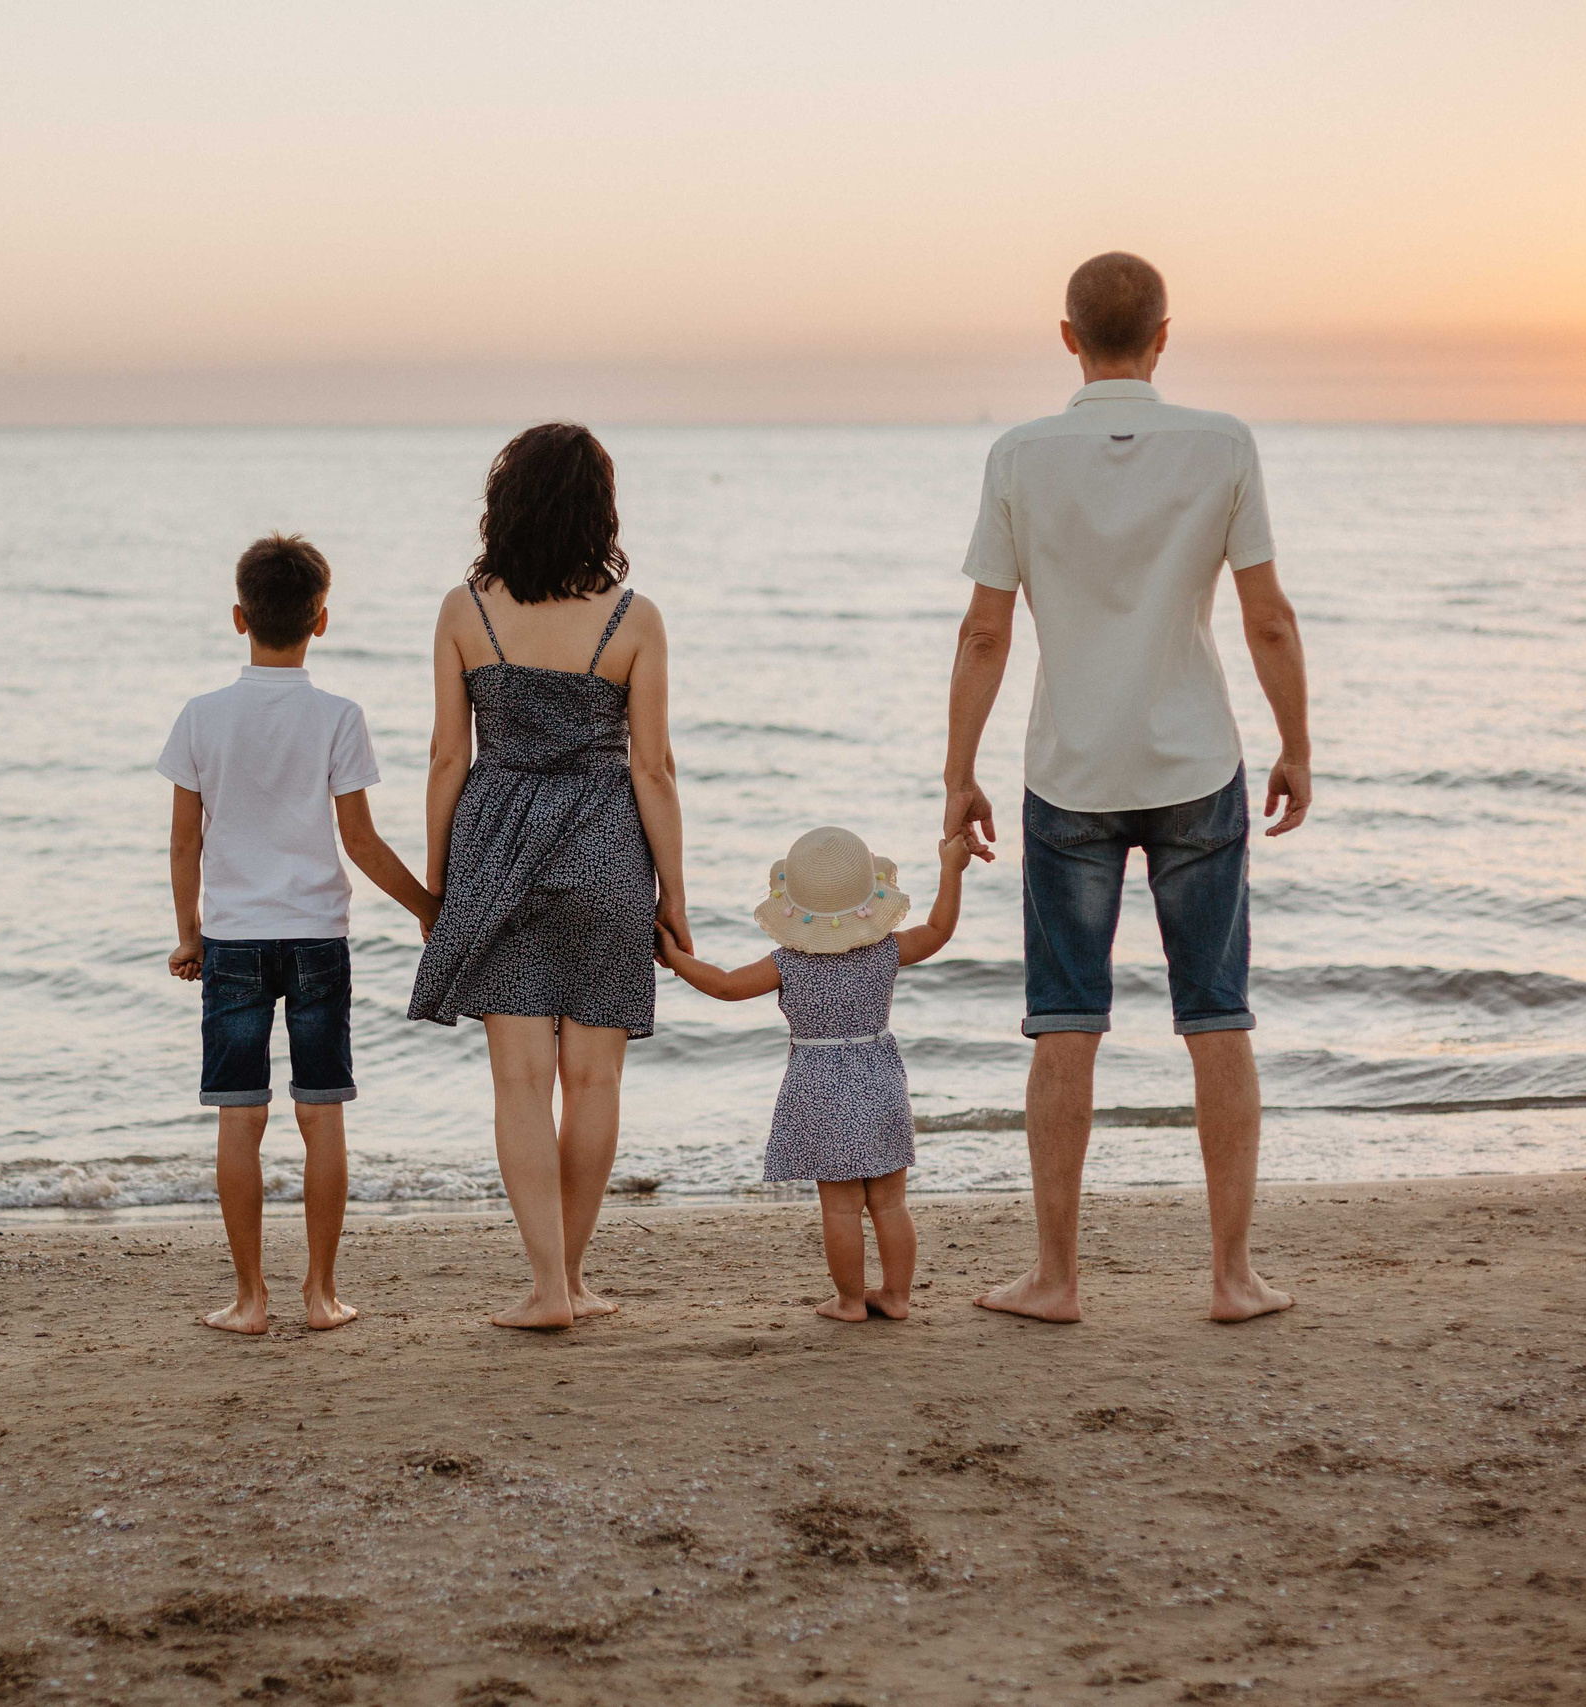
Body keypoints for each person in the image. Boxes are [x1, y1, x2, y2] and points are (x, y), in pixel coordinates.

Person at [944, 251, 1310, 1326]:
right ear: (1162, 336)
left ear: (1067, 336)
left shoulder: (1019, 454)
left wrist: (958, 773)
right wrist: (1296, 744)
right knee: (1217, 1018)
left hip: (1069, 771)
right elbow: (1268, 616)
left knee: (1065, 1022)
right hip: (1196, 763)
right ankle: (1232, 1278)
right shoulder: (1222, 444)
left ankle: (1055, 1279)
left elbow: (983, 631)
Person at [409, 424, 687, 1331]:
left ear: (507, 503)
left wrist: (438, 882)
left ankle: (547, 1289)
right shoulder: (634, 619)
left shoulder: (466, 610)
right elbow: (654, 770)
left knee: (521, 1080)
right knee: (595, 1081)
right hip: (607, 846)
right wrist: (674, 892)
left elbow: (448, 757)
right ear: (600, 510)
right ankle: (572, 1277)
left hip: (497, 848)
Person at [162, 533, 439, 1334]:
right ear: (321, 619)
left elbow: (184, 843)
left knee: (239, 1118)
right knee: (322, 1116)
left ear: (239, 616)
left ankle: (250, 1299)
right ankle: (321, 1294)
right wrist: (425, 906)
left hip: (234, 940)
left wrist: (189, 934)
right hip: (318, 938)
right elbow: (361, 841)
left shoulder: (201, 717)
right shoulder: (338, 716)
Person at [657, 826, 982, 1322]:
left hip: (818, 1089)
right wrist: (950, 870)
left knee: (841, 1208)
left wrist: (677, 959)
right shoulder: (887, 950)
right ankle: (896, 1297)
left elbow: (724, 986)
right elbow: (939, 930)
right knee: (890, 1204)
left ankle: (850, 1302)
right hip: (880, 1078)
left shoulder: (787, 963)